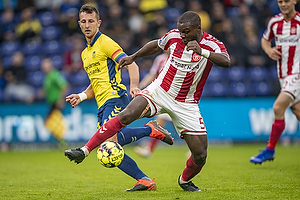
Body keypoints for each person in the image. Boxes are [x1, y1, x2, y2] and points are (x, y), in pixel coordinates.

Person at [65, 10, 230, 192]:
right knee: (126, 115)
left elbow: (226, 61)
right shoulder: (174, 36)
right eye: (180, 31)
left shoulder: (212, 44)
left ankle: (184, 180)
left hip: (186, 103)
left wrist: (203, 52)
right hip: (159, 91)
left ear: (198, 29)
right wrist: (133, 57)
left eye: (186, 32)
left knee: (200, 155)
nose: (181, 35)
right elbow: (156, 45)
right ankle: (85, 150)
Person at [64, 4, 173, 192]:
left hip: (115, 98)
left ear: (99, 23)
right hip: (102, 104)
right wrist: (81, 96)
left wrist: (134, 86)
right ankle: (150, 130)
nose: (87, 25)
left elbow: (131, 65)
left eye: (91, 21)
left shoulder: (106, 43)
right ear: (79, 24)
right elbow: (95, 85)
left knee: (107, 146)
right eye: (84, 21)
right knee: (113, 142)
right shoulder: (85, 53)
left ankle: (145, 180)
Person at [250, 0, 300, 164]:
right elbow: (265, 40)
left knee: (278, 107)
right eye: (280, 1)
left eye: (286, 1)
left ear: (295, 1)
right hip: (283, 75)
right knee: (297, 112)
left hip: (297, 73)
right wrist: (269, 49)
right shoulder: (275, 22)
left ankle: (269, 149)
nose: (283, 4)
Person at [134, 51, 174, 158]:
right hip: (164, 96)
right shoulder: (160, 59)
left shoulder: (178, 58)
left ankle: (193, 149)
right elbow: (153, 74)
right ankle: (149, 150)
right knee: (160, 122)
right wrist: (142, 84)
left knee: (179, 125)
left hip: (175, 96)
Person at [39, 58, 69, 141]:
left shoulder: (55, 75)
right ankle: (60, 140)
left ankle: (62, 140)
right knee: (51, 122)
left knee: (53, 121)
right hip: (51, 102)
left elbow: (64, 87)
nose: (43, 67)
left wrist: (61, 99)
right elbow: (46, 90)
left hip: (57, 102)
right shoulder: (47, 77)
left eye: (45, 64)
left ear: (50, 65)